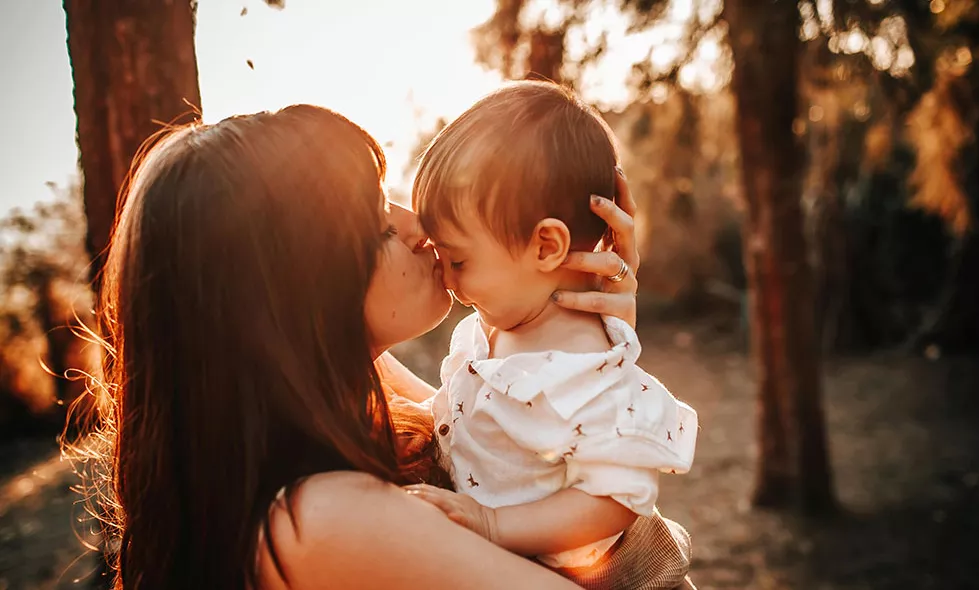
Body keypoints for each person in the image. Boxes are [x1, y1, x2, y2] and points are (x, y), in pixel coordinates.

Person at [69, 103, 653, 590]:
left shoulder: (344, 413)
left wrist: (578, 332)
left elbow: (532, 455)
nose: (420, 224)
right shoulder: (319, 519)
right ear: (299, 288)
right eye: (378, 225)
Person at [404, 81, 697, 589]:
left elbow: (616, 498)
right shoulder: (497, 327)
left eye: (459, 260)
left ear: (546, 246)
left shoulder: (583, 363)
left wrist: (493, 524)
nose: (447, 278)